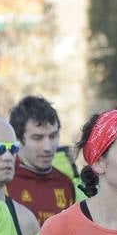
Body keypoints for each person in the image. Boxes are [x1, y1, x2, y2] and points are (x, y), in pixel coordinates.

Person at [7, 95, 76, 226]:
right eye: (37, 138)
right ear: (19, 138)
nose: (48, 147)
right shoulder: (4, 181)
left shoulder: (66, 184)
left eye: (53, 136)